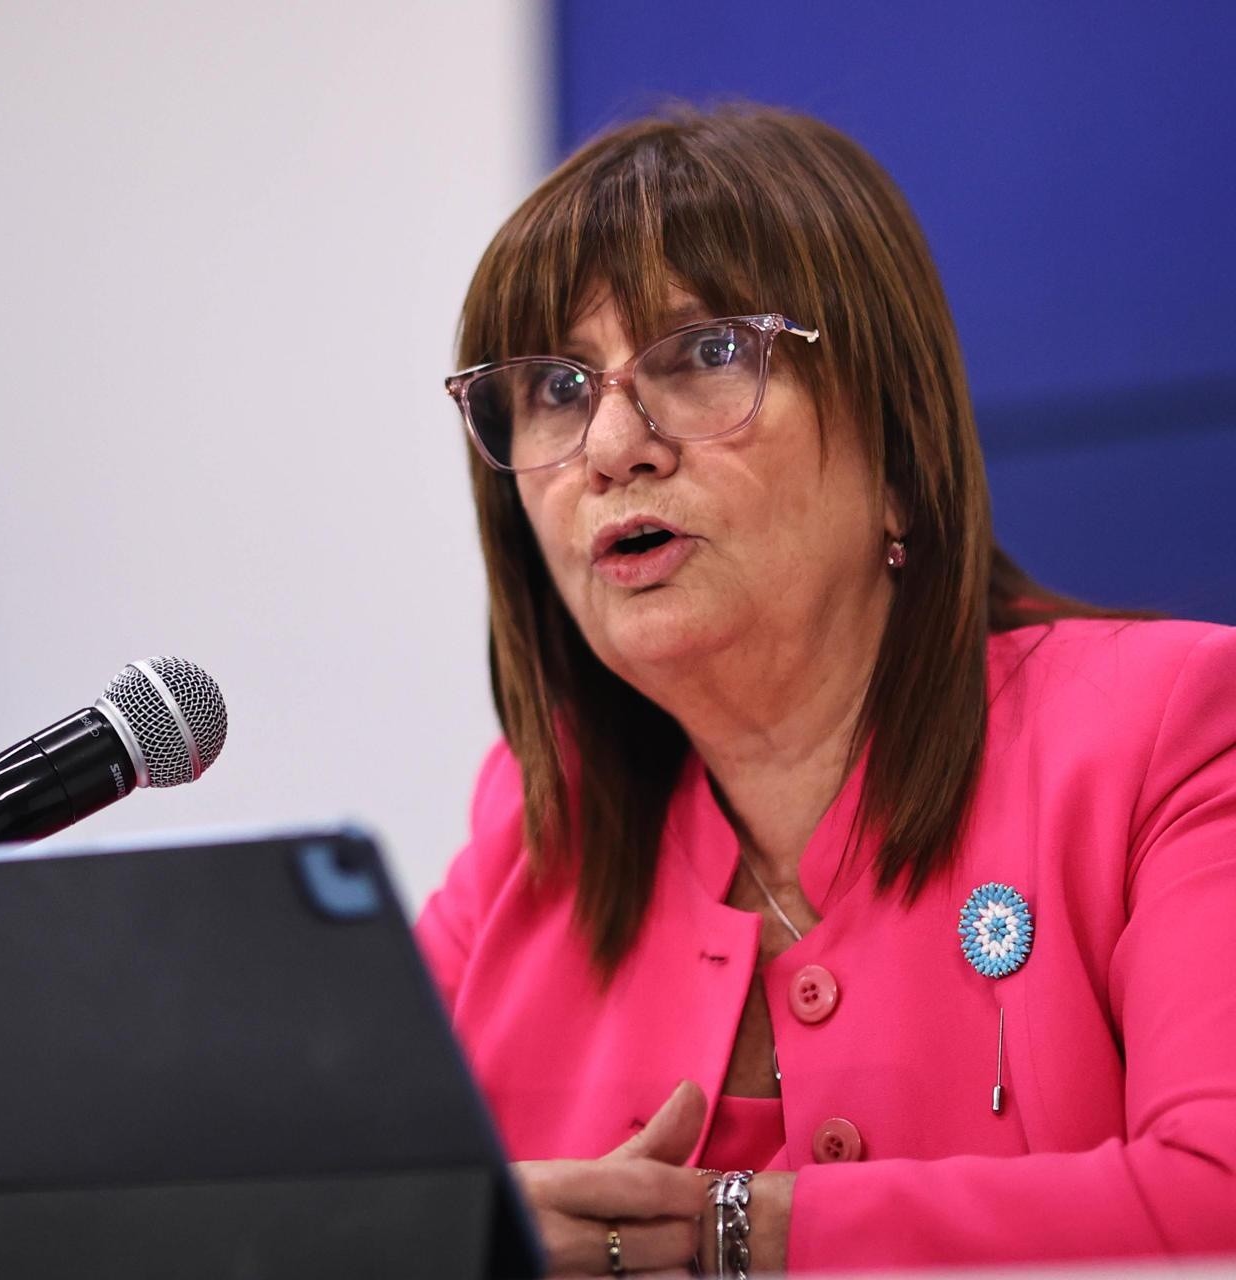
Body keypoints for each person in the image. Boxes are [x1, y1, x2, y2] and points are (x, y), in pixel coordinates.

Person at [416, 102, 1236, 1276]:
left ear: (899, 456)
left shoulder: (1173, 734)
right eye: (554, 386)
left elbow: (1223, 1201)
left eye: (701, 355)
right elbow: (332, 1202)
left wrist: (740, 1235)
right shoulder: (529, 835)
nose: (609, 445)